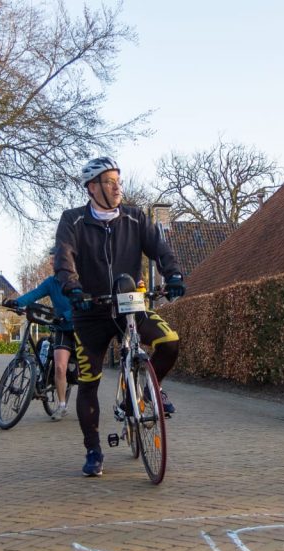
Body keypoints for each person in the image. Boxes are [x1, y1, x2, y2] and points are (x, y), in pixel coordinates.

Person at [53, 156, 186, 477]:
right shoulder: (72, 221)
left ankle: (140, 395)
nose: (117, 188)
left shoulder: (136, 218)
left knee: (170, 342)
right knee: (89, 381)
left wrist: (174, 275)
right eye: (110, 182)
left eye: (118, 181)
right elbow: (64, 260)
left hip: (132, 305)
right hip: (91, 312)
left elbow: (160, 249)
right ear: (92, 187)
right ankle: (94, 450)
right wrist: (72, 288)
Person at [7, 269, 75, 420]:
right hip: (62, 329)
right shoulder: (51, 282)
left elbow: (84, 303)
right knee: (59, 366)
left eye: (55, 258)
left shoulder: (78, 279)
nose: (52, 262)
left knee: (86, 371)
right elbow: (35, 294)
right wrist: (17, 302)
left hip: (80, 328)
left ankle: (88, 404)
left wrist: (67, 316)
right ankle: (62, 406)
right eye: (52, 259)